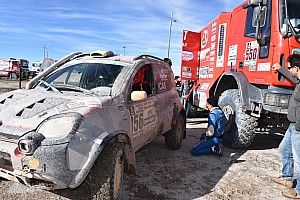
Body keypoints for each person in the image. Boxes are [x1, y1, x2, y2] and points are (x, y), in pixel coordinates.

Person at [271, 53, 300, 199]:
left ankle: (299, 191)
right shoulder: (299, 78)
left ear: (297, 68)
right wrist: (281, 69)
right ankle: (288, 178)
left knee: (299, 159)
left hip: (298, 127)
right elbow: (293, 77)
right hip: (292, 125)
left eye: (290, 68)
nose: (290, 70)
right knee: (284, 149)